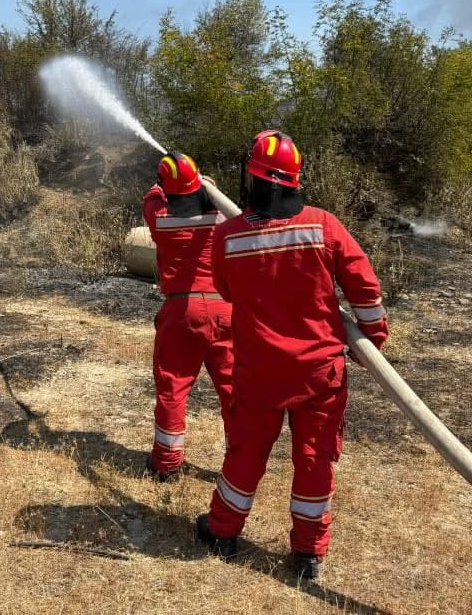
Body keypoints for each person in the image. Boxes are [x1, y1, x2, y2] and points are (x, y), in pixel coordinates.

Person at [195, 130, 388, 579]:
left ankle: (222, 532)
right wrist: (373, 340)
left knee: (245, 453)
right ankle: (307, 553)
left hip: (259, 373)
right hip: (320, 374)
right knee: (315, 459)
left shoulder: (227, 238)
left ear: (253, 177)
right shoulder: (324, 226)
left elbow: (227, 289)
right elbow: (364, 285)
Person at [143, 152, 234, 482]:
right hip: (225, 310)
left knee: (173, 387)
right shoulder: (221, 214)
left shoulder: (159, 216)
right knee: (233, 391)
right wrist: (203, 183)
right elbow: (213, 193)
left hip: (182, 311)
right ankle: (239, 465)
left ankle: (167, 464)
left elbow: (154, 194)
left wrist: (167, 179)